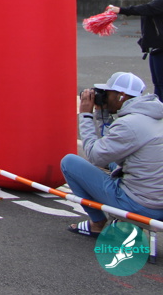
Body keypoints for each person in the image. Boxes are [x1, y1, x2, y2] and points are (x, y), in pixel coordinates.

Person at [61, 72, 163, 237]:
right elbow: (113, 145)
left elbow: (95, 156)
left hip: (141, 207)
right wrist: (103, 116)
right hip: (160, 204)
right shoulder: (153, 114)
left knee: (69, 162)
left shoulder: (128, 124)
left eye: (107, 93)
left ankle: (98, 224)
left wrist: (86, 115)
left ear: (121, 96)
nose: (103, 97)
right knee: (113, 162)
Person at [106, 0, 163, 99]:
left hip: (161, 50)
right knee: (158, 84)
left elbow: (145, 9)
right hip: (156, 49)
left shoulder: (161, 1)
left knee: (161, 85)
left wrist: (121, 10)